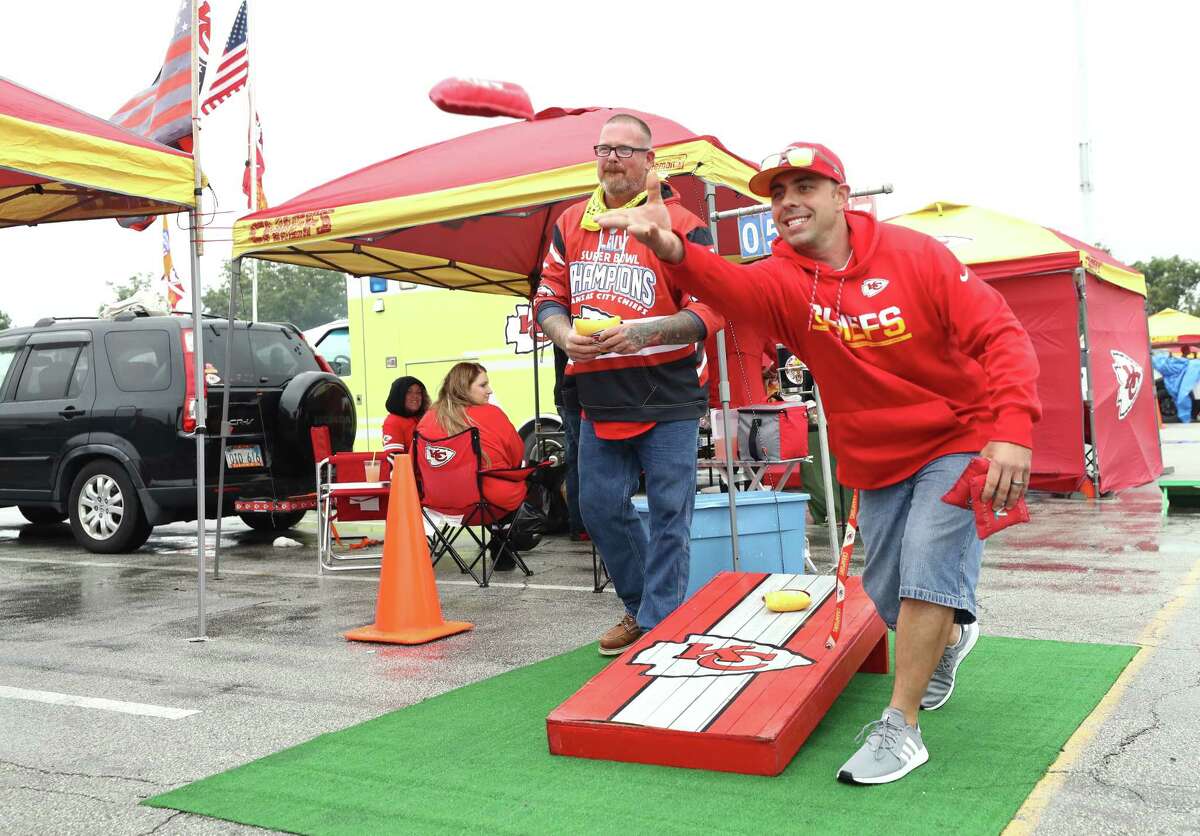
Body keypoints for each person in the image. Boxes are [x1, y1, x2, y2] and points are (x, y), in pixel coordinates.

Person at [595, 142, 1041, 784]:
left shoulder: (916, 257)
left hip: (959, 433)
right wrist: (673, 251)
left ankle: (901, 728)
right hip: (877, 456)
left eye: (804, 187)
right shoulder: (782, 279)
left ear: (840, 194)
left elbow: (1001, 336)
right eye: (777, 193)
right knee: (887, 593)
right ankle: (947, 636)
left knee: (925, 569)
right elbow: (732, 289)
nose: (787, 203)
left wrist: (1014, 430)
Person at [533, 113, 722, 655]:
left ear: (649, 160)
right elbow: (548, 296)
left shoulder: (682, 222)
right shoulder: (572, 222)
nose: (612, 158)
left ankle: (660, 621)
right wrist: (563, 336)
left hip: (669, 391)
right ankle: (646, 610)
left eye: (624, 149)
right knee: (596, 507)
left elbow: (712, 306)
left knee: (669, 514)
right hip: (597, 394)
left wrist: (645, 333)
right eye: (604, 149)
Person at [552, 346, 588, 541]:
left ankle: (579, 525)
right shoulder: (575, 324)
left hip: (565, 395)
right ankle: (586, 524)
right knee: (588, 460)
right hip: (578, 395)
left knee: (575, 462)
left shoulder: (561, 322)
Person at [381, 375, 430, 456]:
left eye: (418, 392)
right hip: (408, 468)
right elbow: (395, 459)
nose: (415, 396)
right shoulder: (392, 422)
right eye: (409, 392)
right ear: (399, 395)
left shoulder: (426, 418)